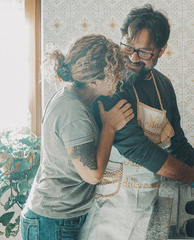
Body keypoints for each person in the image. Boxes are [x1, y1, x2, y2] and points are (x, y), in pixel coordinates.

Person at [78, 5, 194, 240]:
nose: (133, 58)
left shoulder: (163, 85)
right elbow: (137, 148)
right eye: (128, 47)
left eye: (144, 52)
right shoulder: (109, 84)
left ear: (161, 51)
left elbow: (178, 144)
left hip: (148, 203)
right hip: (112, 209)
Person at [20, 34, 134, 240]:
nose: (120, 77)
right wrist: (110, 126)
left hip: (57, 218)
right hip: (52, 221)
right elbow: (92, 175)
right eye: (114, 74)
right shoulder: (73, 111)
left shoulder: (74, 97)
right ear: (92, 81)